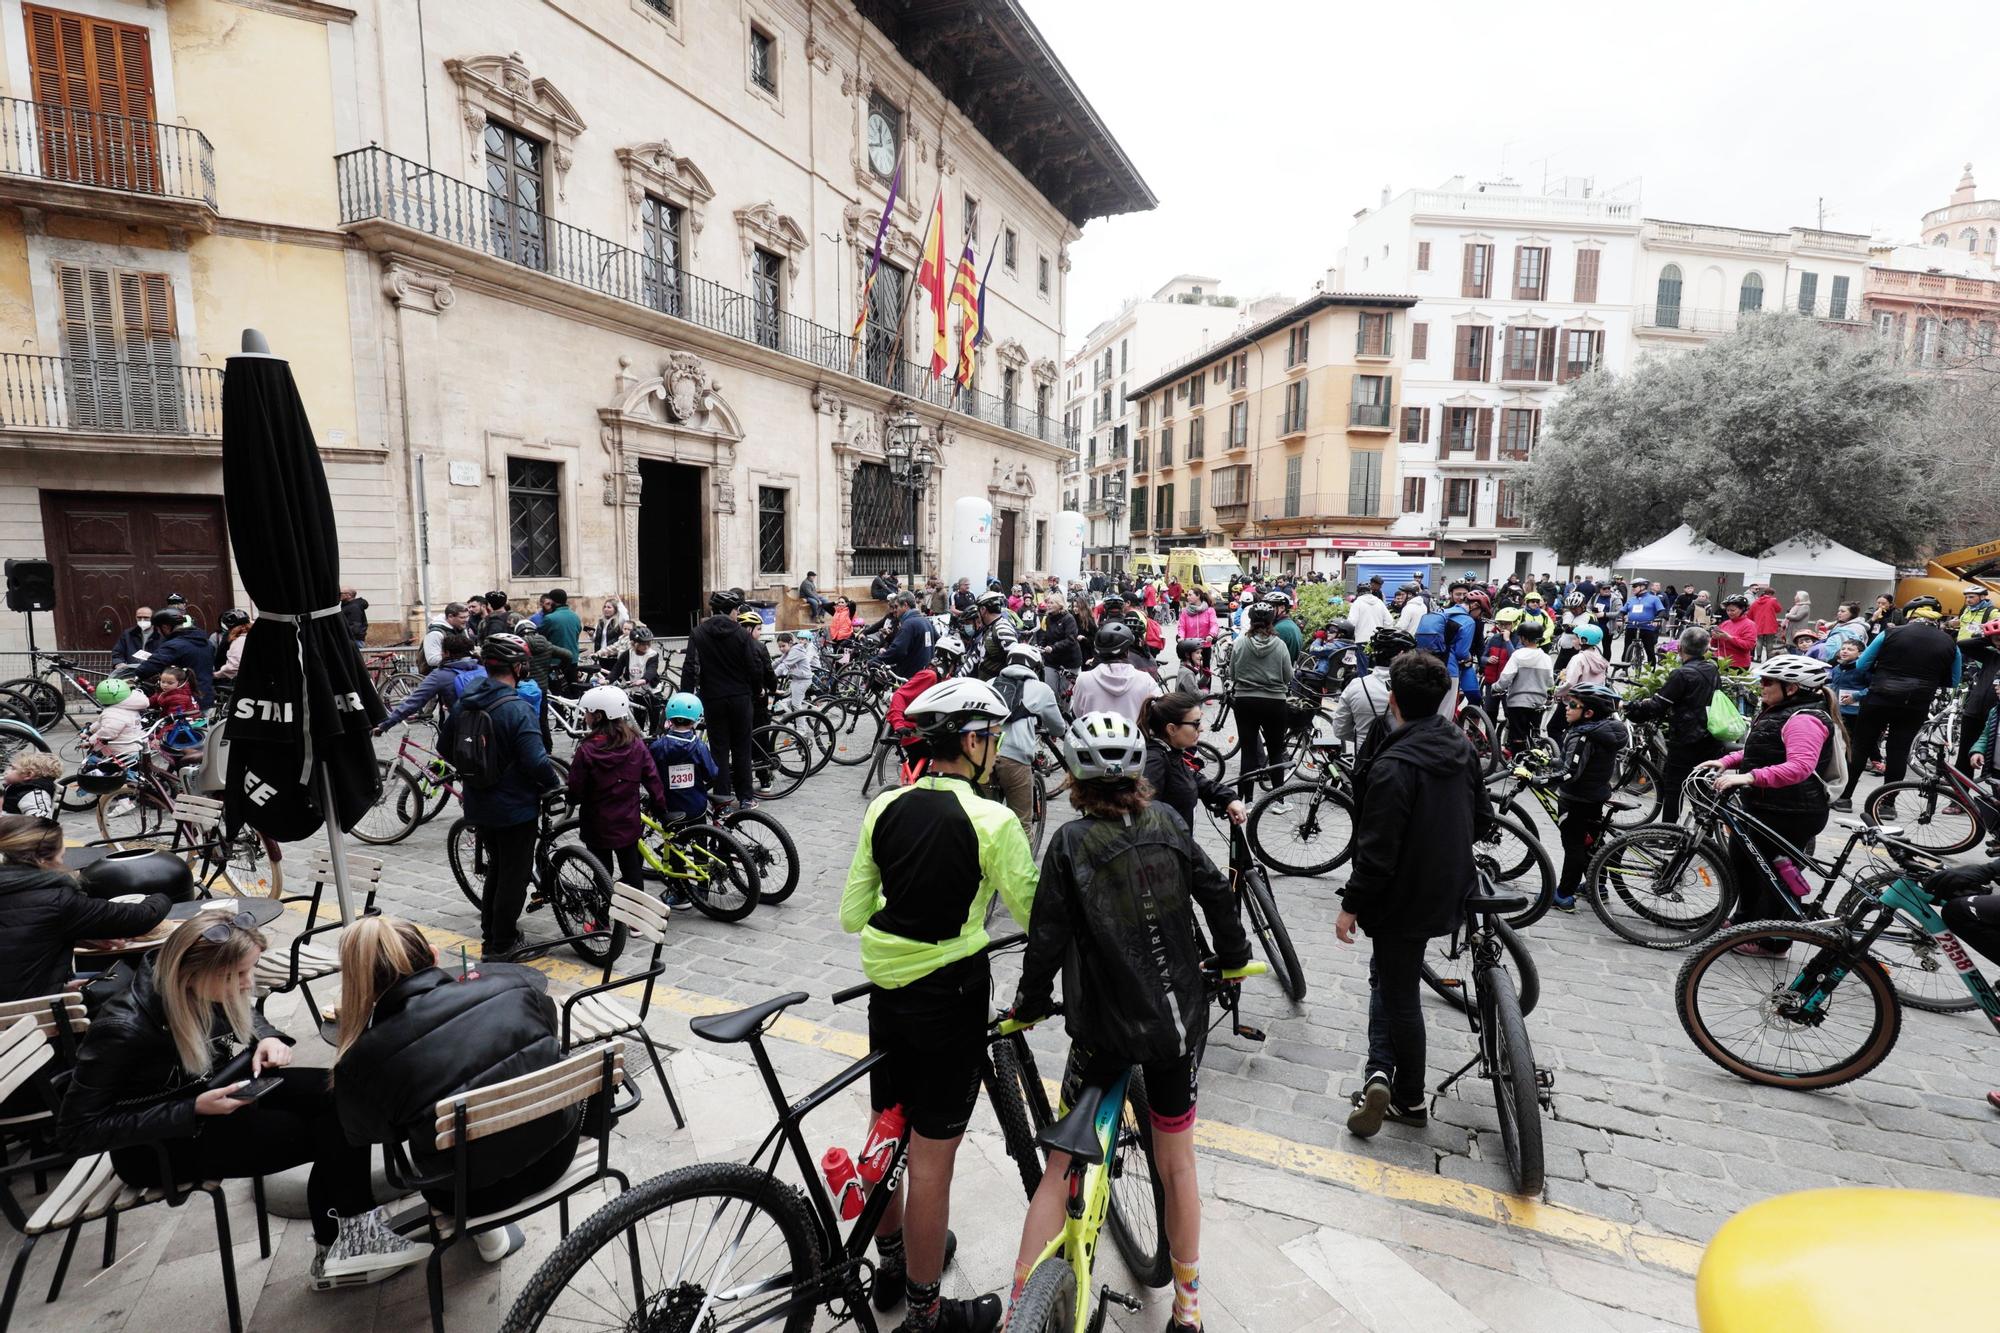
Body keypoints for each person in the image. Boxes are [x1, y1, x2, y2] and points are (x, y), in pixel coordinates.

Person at [1005, 711, 1250, 1332]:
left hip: (1103, 1029)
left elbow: (1047, 938)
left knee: (1062, 1163)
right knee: (1178, 1163)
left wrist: (1029, 1006)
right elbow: (1217, 893)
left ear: (1077, 777)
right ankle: (1189, 1311)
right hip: (1175, 1027)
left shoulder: (1070, 843)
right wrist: (1234, 957)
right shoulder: (1167, 820)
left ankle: (1017, 1311)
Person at [58, 913, 427, 1288]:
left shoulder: (194, 984)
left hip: (220, 1097)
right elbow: (76, 1131)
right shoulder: (123, 1028)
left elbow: (246, 1013)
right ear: (192, 974)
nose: (248, 984)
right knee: (332, 1131)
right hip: (158, 1148)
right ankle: (345, 1246)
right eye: (237, 976)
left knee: (340, 1094)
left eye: (250, 970)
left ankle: (347, 1240)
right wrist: (192, 1108)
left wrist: (268, 1037)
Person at [841, 678, 1036, 1333]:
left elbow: (851, 914)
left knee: (885, 1127)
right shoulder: (995, 820)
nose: (997, 747)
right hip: (952, 996)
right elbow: (1036, 909)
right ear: (974, 741)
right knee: (931, 1160)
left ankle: (892, 1262)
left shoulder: (884, 807)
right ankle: (926, 1315)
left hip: (885, 992)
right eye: (994, 737)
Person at [332, 915, 590, 1267]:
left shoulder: (362, 1062)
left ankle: (487, 1233)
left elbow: (371, 1134)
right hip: (557, 1153)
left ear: (359, 986)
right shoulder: (514, 987)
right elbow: (547, 1041)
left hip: (468, 1196)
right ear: (435, 956)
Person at [1340, 653, 1483, 1136]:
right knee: (1391, 977)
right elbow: (1483, 819)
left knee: (1401, 997)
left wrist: (1350, 906)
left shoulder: (1393, 764)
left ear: (1393, 700)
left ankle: (1408, 1097)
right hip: (1449, 887)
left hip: (1402, 898)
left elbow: (1376, 852)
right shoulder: (1460, 745)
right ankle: (1380, 1069)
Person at [1700, 655, 1842, 949]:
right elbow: (1764, 750)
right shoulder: (1781, 711)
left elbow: (1800, 767)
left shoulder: (1804, 719)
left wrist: (1749, 778)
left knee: (1773, 875)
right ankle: (1744, 924)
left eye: (1767, 682)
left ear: (1791, 688)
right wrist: (1726, 761)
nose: (1761, 687)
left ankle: (1772, 942)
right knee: (1746, 864)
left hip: (1792, 810)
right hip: (1769, 804)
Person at [448, 634, 561, 958]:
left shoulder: (465, 701)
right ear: (517, 667)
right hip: (514, 807)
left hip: (478, 802)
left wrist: (479, 772)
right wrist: (553, 786)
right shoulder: (516, 708)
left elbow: (446, 747)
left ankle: (492, 935)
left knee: (498, 869)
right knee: (515, 875)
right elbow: (536, 761)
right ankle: (504, 944)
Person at [0, 814, 171, 1001]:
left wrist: (76, 937)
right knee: (154, 986)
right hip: (32, 1021)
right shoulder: (56, 900)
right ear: (41, 860)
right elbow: (142, 918)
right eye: (61, 857)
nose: (63, 864)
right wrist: (159, 896)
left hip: (15, 1010)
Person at [1833, 598, 1961, 812]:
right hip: (1916, 703)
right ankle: (1887, 805)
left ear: (1910, 615)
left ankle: (1845, 798)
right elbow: (1953, 681)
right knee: (1898, 752)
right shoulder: (1949, 642)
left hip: (1879, 697)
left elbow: (1862, 665)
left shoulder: (1890, 633)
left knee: (1861, 746)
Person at [566, 685, 667, 896]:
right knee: (632, 870)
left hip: (597, 823)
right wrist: (661, 809)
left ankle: (601, 919)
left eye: (588, 712)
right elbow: (653, 779)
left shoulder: (586, 750)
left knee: (601, 871)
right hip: (628, 821)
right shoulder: (636, 744)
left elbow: (575, 789)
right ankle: (635, 920)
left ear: (599, 715)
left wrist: (572, 798)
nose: (585, 716)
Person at [1624, 626, 1724, 825]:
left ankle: (1668, 833)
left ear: (1680, 648)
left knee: (1674, 787)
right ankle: (1706, 830)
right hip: (1710, 735)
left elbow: (1658, 705)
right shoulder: (1711, 668)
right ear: (1706, 649)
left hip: (1687, 738)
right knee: (1703, 785)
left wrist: (1634, 706)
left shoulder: (1682, 674)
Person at [682, 589, 769, 809]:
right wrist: (758, 689)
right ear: (732, 610)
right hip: (740, 698)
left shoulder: (698, 632)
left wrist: (686, 697)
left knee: (719, 749)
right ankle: (746, 797)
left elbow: (690, 666)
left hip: (713, 699)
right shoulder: (741, 633)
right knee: (742, 748)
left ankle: (722, 798)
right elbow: (754, 665)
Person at [1550, 682, 1627, 912]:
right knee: (1593, 845)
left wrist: (1537, 780)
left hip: (1576, 799)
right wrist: (1549, 762)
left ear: (1589, 712)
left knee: (1574, 847)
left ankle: (1563, 895)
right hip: (1595, 796)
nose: (1567, 707)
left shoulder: (1582, 735)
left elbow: (1570, 773)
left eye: (1572, 704)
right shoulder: (1605, 731)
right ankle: (1597, 887)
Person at [1139, 690, 1247, 831]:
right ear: (1171, 729)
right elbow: (1144, 817)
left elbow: (1190, 776)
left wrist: (1228, 797)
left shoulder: (1170, 752)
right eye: (1195, 723)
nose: (1201, 728)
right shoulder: (1155, 760)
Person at [989, 642, 1067, 839]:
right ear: (1035, 667)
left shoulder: (990, 683)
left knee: (983, 817)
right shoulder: (1042, 690)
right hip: (1014, 758)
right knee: (1022, 822)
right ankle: (1020, 866)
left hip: (983, 756)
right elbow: (1058, 727)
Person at [1230, 603, 1294, 796]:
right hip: (1275, 702)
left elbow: (1233, 674)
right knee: (1276, 751)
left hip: (1245, 701)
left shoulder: (1240, 643)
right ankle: (1278, 799)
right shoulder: (1280, 645)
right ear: (1270, 621)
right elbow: (1288, 676)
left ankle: (1246, 799)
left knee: (1248, 751)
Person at [374, 631, 483, 733]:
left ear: (447, 653)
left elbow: (414, 702)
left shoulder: (440, 674)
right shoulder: (481, 667)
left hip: (462, 728)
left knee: (443, 748)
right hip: (486, 724)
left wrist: (385, 725)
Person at [1069, 622, 1159, 726]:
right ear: (1127, 652)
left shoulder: (1083, 680)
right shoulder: (1145, 680)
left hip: (1095, 740)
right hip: (1134, 740)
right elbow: (1158, 711)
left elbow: (1077, 713)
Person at [1956, 584, 2000, 772]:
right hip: (1974, 711)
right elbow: (1964, 644)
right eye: (1997, 639)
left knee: (1993, 763)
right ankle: (1959, 800)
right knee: (1964, 757)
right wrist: (1988, 635)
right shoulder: (1992, 655)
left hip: (1996, 716)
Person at [1493, 620, 1554, 755]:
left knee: (1518, 736)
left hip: (1518, 702)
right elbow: (1550, 682)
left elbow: (1506, 677)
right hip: (1538, 702)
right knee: (1534, 731)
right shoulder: (1545, 657)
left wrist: (1496, 687)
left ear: (1523, 638)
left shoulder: (1517, 655)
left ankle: (1519, 764)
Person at [132, 608, 214, 707]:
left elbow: (152, 665)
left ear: (165, 627)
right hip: (205, 697)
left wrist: (136, 675)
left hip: (181, 701)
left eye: (158, 629)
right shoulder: (206, 643)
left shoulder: (174, 645)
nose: (159, 633)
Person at [1549, 622, 1610, 747]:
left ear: (1583, 640)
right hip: (1593, 700)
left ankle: (1562, 758)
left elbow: (1570, 683)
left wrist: (1555, 691)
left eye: (1575, 638)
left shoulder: (1578, 659)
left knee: (1553, 728)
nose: (1573, 641)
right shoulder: (1599, 657)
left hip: (1575, 701)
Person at [881, 590, 938, 680]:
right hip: (925, 676)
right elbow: (938, 641)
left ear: (905, 605)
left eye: (896, 606)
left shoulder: (909, 624)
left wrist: (876, 660)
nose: (894, 610)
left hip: (911, 678)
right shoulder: (925, 621)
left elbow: (898, 650)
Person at [1035, 594, 1080, 696]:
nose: (1048, 605)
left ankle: (1064, 711)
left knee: (1064, 694)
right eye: (1048, 603)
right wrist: (1040, 645)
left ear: (1060, 605)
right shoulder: (1047, 618)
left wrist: (1053, 647)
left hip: (1070, 661)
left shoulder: (1069, 618)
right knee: (1050, 692)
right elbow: (1046, 636)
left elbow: (1071, 639)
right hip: (1052, 660)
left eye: (1052, 603)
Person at [969, 590, 1018, 680]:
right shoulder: (990, 628)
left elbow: (1016, 660)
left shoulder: (1002, 628)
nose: (978, 616)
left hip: (996, 688)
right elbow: (974, 657)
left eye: (978, 610)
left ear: (983, 610)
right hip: (985, 686)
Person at [1, 752, 62, 820]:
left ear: (28, 775)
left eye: (13, 769)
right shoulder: (19, 788)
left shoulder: (32, 795)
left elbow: (41, 823)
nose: (6, 771)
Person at [1712, 594, 1759, 669]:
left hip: (1738, 665)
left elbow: (1749, 645)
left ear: (1742, 609)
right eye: (1727, 610)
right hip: (1720, 661)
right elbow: (1714, 645)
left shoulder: (1749, 625)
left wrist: (1729, 638)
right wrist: (1714, 637)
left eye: (1733, 610)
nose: (1729, 613)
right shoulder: (1725, 623)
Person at [1624, 579, 1665, 664]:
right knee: (1627, 648)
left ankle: (1651, 670)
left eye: (1635, 586)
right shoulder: (1631, 599)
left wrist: (1657, 619)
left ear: (1642, 587)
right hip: (1631, 626)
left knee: (1649, 649)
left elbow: (1662, 611)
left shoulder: (1654, 599)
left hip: (1647, 627)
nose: (1633, 588)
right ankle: (1624, 669)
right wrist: (1620, 619)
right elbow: (1622, 611)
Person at [421, 602, 470, 670]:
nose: (466, 620)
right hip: (440, 672)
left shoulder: (462, 629)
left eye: (467, 616)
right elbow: (432, 660)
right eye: (462, 617)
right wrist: (457, 657)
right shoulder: (435, 633)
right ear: (450, 617)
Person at [539, 589, 582, 661]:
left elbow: (540, 637)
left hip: (556, 662)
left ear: (553, 601)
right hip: (573, 660)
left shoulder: (549, 618)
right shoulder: (575, 616)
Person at [1349, 579, 1391, 644]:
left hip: (1361, 639)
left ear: (1358, 592)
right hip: (1377, 639)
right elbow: (1389, 621)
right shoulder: (1379, 602)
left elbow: (1352, 622)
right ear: (1370, 591)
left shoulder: (1357, 602)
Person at [1748, 584, 1783, 661]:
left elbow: (1750, 613)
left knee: (1759, 640)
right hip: (1770, 624)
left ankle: (1759, 658)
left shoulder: (1756, 601)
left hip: (1758, 624)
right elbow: (1779, 610)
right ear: (1771, 594)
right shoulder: (1773, 600)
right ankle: (1769, 658)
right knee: (1769, 642)